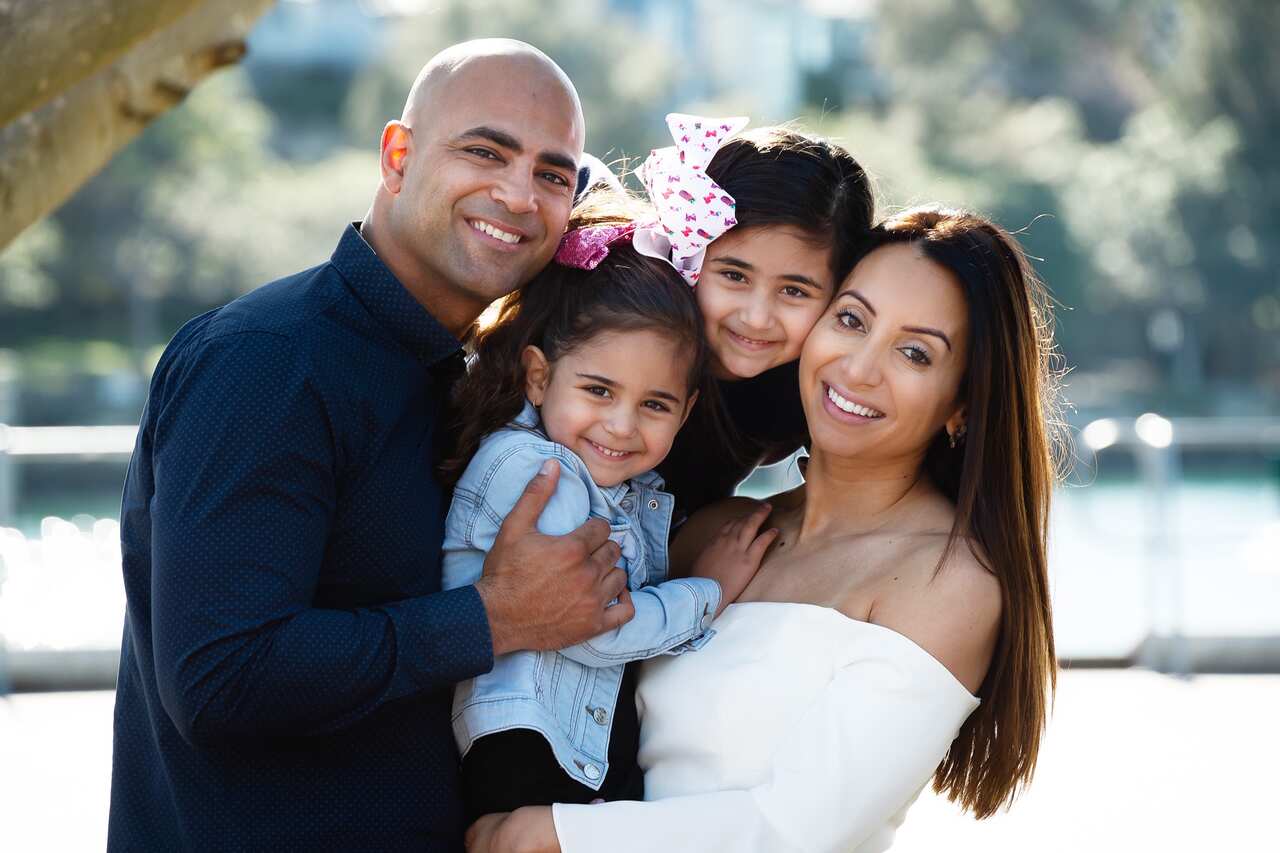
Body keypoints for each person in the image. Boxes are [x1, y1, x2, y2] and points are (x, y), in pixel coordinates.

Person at [109, 39, 635, 851]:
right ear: (398, 155)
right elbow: (220, 678)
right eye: (485, 151)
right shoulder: (269, 361)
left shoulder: (472, 381)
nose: (518, 193)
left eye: (553, 174)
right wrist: (492, 618)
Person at [468, 205, 1064, 853]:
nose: (859, 368)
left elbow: (792, 830)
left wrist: (547, 831)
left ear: (963, 405)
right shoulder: (723, 531)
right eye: (850, 320)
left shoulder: (950, 581)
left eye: (915, 353)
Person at [438, 195, 773, 823]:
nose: (621, 426)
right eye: (598, 390)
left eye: (655, 405)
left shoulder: (619, 483)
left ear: (688, 410)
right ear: (539, 377)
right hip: (524, 753)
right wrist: (710, 591)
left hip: (564, 745)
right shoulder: (540, 470)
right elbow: (594, 626)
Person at [638, 116, 875, 519]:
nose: (757, 317)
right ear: (691, 252)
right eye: (734, 276)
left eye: (794, 291)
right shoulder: (622, 326)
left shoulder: (823, 383)